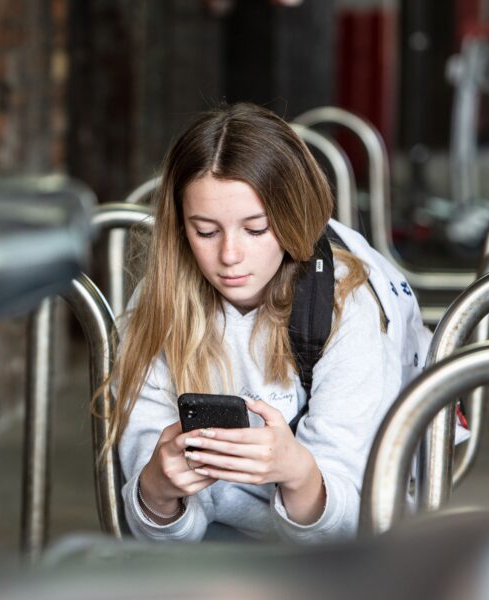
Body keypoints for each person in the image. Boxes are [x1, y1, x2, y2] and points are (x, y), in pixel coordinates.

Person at [105, 102, 437, 544]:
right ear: (180, 228)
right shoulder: (157, 306)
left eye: (256, 229)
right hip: (214, 543)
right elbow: (156, 536)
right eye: (205, 231)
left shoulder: (343, 303)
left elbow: (352, 524)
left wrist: (298, 475)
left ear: (292, 218)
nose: (229, 256)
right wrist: (157, 492)